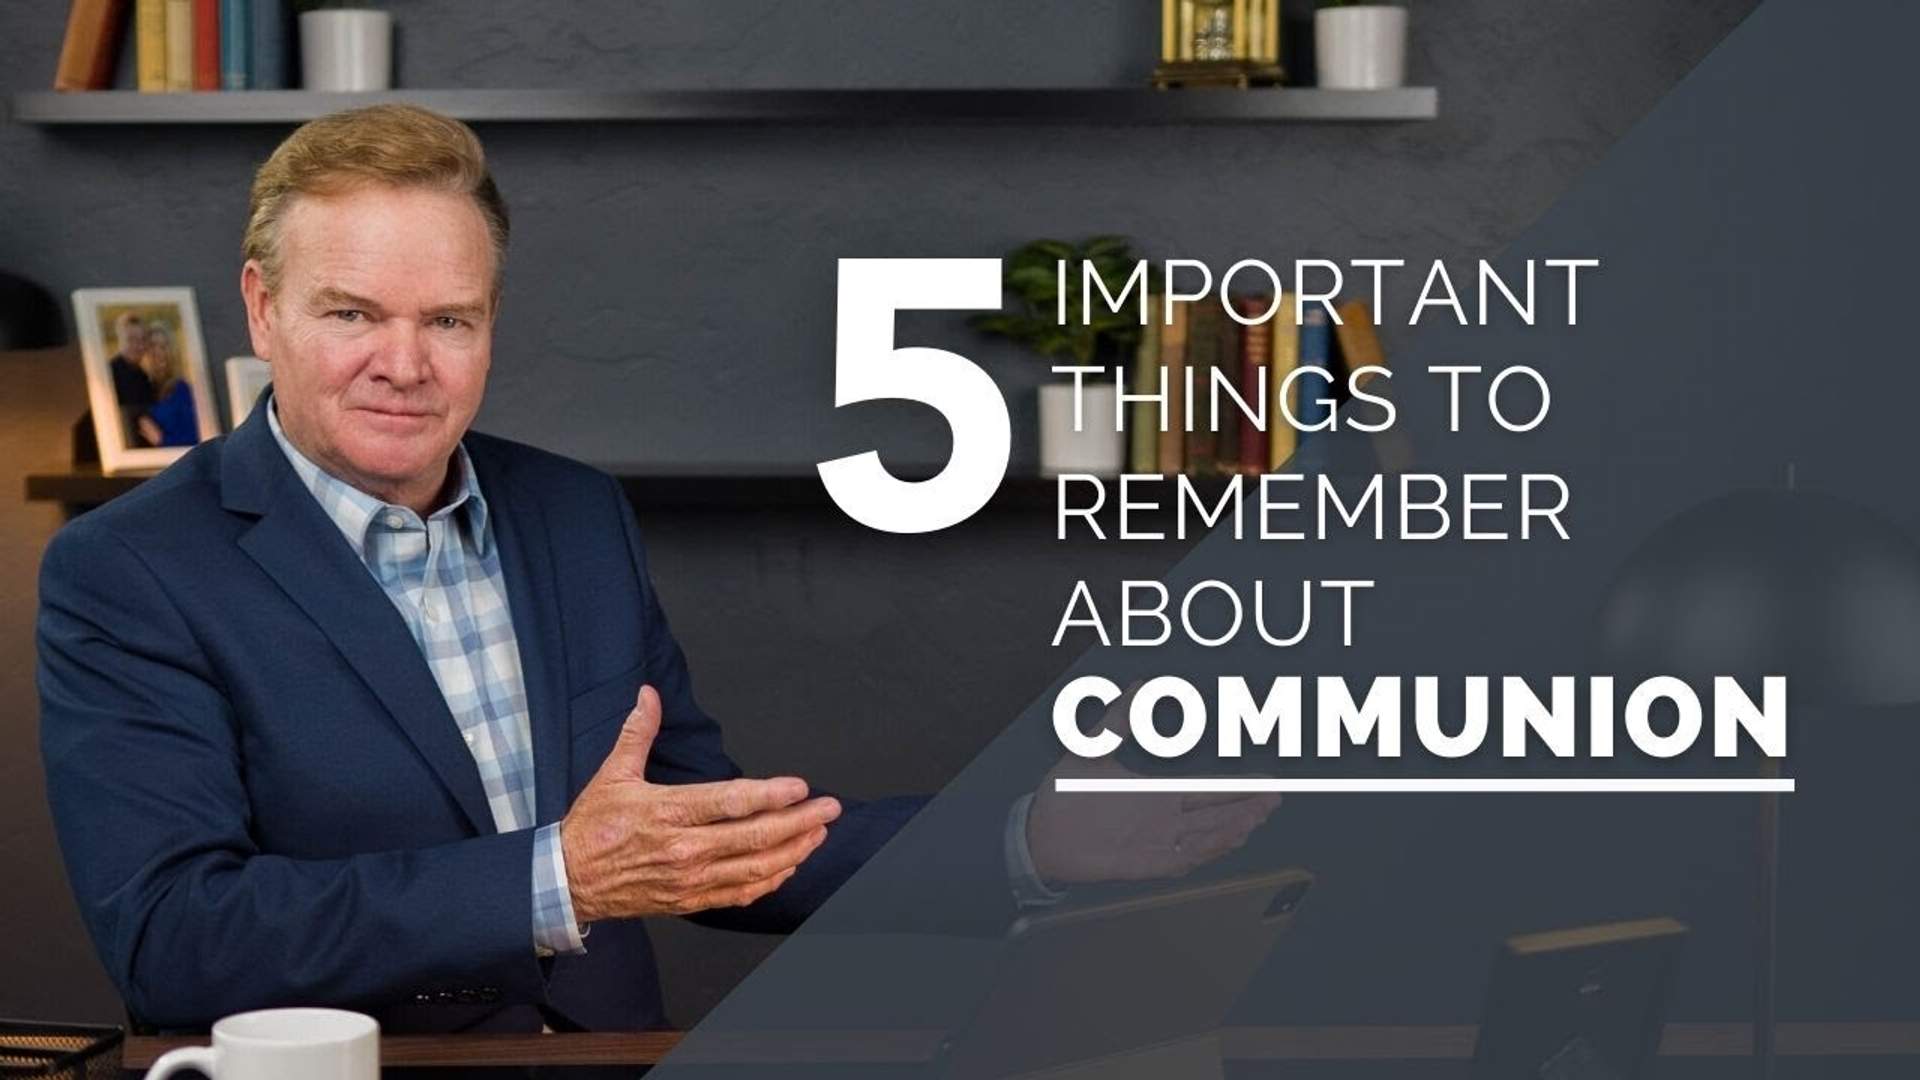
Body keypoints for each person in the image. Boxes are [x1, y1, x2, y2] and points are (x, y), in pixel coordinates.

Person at [37, 105, 1278, 1038]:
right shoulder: (129, 571)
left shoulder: (574, 516)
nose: (403, 364)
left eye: (450, 319)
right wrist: (555, 880)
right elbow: (171, 941)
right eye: (352, 313)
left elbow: (707, 840)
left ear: (491, 321)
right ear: (263, 310)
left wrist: (1031, 839)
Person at [133, 322, 200, 447]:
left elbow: (195, 438)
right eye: (152, 346)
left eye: (163, 347)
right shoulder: (141, 387)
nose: (158, 352)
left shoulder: (182, 389)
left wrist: (161, 440)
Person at [105, 311, 156, 447]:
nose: (138, 346)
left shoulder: (143, 376)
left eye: (142, 340)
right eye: (131, 339)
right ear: (119, 340)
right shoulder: (109, 374)